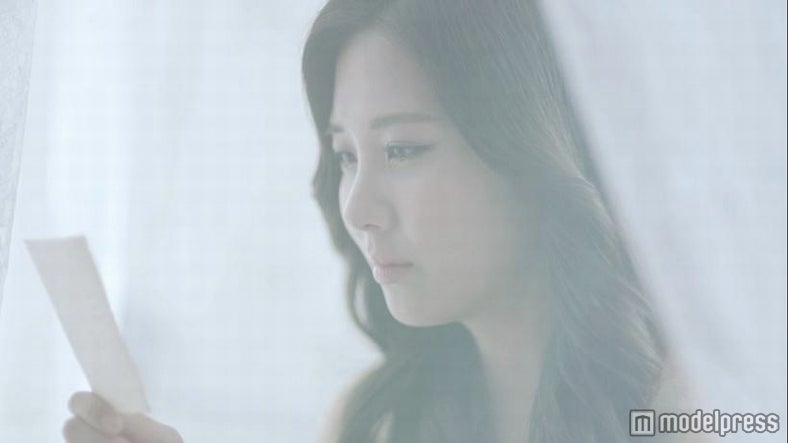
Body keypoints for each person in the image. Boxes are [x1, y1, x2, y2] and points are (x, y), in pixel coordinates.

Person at [63, 0, 683, 441]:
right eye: (346, 156)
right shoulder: (373, 420)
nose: (358, 210)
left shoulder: (690, 408)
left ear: (531, 149)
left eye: (403, 150)